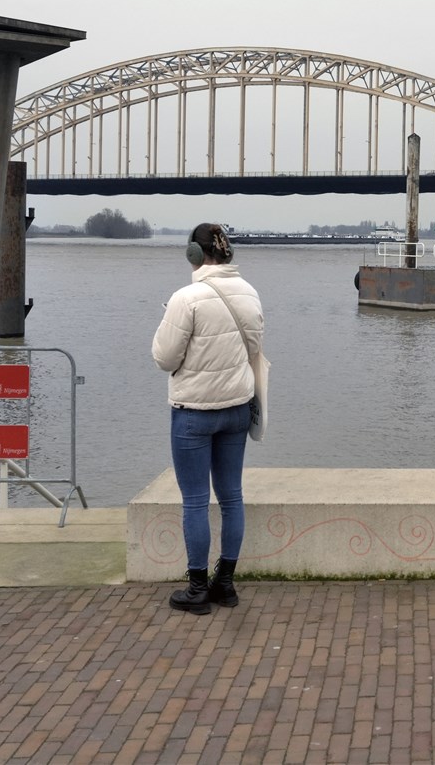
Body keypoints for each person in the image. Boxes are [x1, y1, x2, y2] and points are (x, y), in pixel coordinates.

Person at [152, 222, 263, 615]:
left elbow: (164, 358)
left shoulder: (186, 298)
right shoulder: (249, 293)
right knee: (232, 496)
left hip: (194, 415)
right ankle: (226, 584)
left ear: (194, 255)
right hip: (236, 410)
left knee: (196, 501)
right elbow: (254, 347)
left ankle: (197, 589)